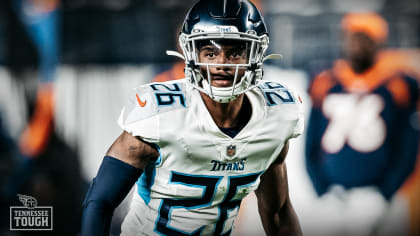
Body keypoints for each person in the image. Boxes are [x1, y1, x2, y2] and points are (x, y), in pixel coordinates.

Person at [81, 0, 304, 235]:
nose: (221, 64)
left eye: (235, 52)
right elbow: (100, 202)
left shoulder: (275, 118)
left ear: (256, 54)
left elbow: (278, 214)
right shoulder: (161, 116)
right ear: (191, 53)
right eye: (210, 53)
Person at [306, 12, 419, 235]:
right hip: (333, 195)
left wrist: (386, 192)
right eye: (354, 37)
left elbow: (408, 145)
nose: (358, 45)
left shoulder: (398, 85)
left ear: (379, 43)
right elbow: (310, 139)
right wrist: (319, 187)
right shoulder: (325, 82)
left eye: (366, 39)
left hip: (379, 196)